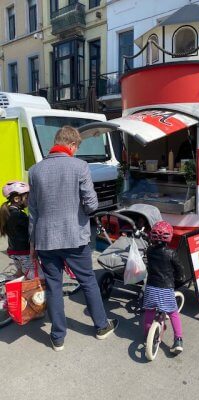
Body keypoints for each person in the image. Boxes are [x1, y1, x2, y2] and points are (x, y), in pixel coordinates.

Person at [28, 126, 118, 351]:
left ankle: (57, 337)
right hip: (75, 237)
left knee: (53, 285)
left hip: (46, 239)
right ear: (71, 145)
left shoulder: (35, 171)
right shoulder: (80, 167)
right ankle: (100, 326)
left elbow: (33, 212)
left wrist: (32, 243)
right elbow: (92, 205)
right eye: (76, 147)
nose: (76, 151)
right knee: (87, 280)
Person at [143, 221, 185, 355]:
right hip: (166, 288)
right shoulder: (171, 254)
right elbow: (179, 270)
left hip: (151, 288)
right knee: (173, 313)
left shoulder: (149, 251)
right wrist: (180, 278)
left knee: (149, 311)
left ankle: (147, 332)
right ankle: (178, 339)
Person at [0, 181, 43, 279]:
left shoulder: (8, 212)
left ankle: (13, 290)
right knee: (34, 277)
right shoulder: (19, 215)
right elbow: (32, 229)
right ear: (17, 199)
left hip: (14, 251)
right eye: (27, 198)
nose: (29, 201)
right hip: (24, 252)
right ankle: (25, 293)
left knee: (20, 274)